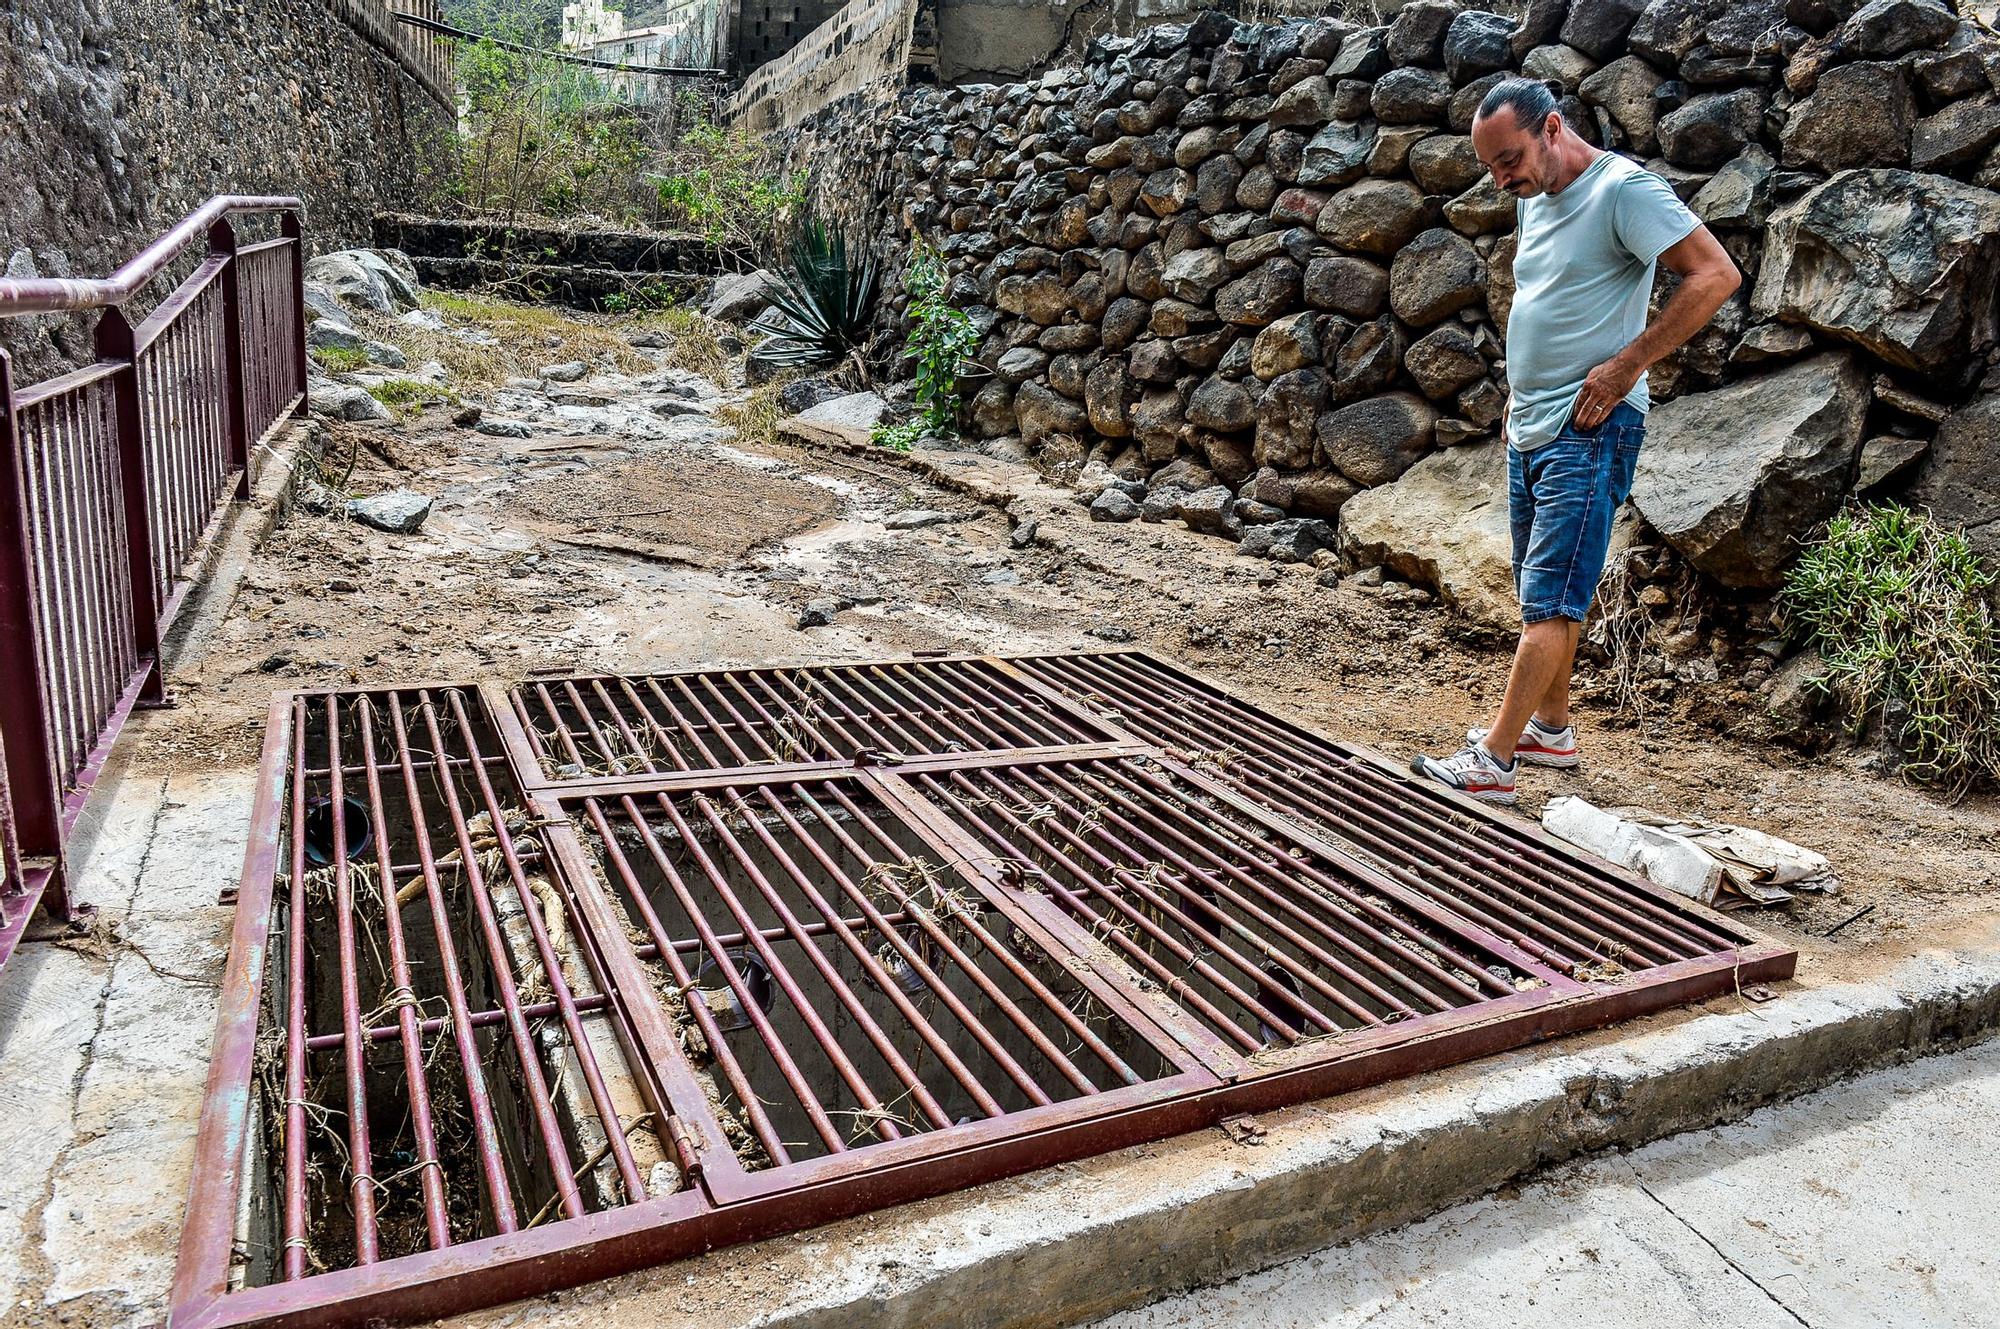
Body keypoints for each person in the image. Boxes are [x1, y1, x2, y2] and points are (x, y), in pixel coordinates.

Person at [1411, 78, 1741, 805]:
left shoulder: (1623, 190)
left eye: (1511, 159)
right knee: (1542, 591)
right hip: (1534, 425)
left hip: (1590, 428)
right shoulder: (1536, 199)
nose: (1502, 179)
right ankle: (1551, 729)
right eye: (1491, 167)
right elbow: (1552, 302)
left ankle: (1495, 762)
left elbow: (1715, 275)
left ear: (1553, 127)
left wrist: (1627, 366)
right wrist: (1519, 400)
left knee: (1552, 602)